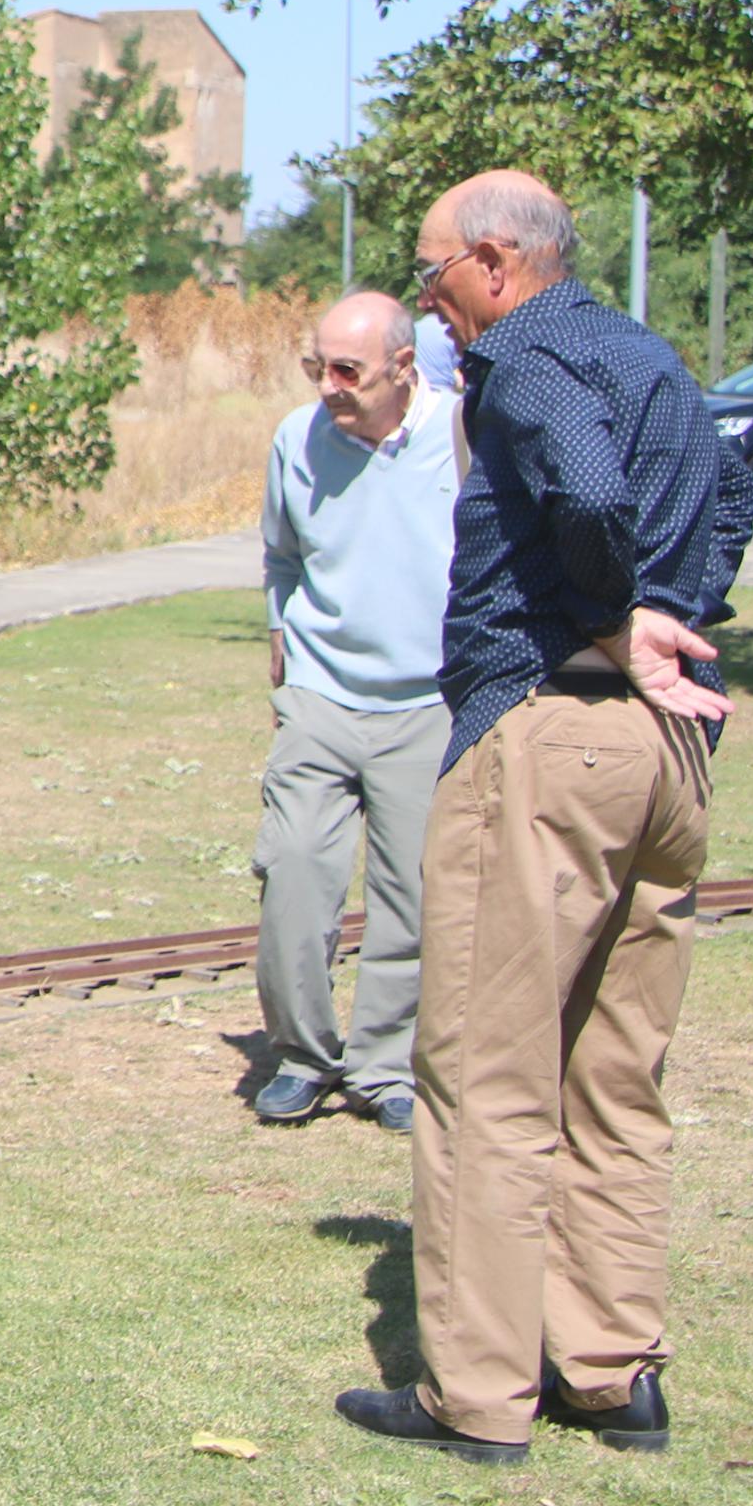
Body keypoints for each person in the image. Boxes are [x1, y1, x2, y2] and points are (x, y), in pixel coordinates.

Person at [336, 170, 753, 1467]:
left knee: (482, 1067)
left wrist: (608, 615)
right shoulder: (653, 358)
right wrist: (674, 616)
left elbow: (580, 493)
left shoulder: (518, 360)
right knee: (613, 1074)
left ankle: (472, 1393)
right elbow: (729, 501)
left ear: (495, 258)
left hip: (548, 732)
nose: (426, 297)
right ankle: (609, 1365)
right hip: (664, 754)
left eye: (430, 271)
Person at [250, 289, 461, 1131]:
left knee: (411, 894)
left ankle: (385, 1068)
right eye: (316, 367)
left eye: (347, 370)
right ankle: (301, 1055)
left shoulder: (460, 435)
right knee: (293, 869)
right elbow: (280, 554)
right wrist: (279, 636)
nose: (328, 385)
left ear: (402, 367)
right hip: (320, 696)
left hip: (427, 701)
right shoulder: (295, 441)